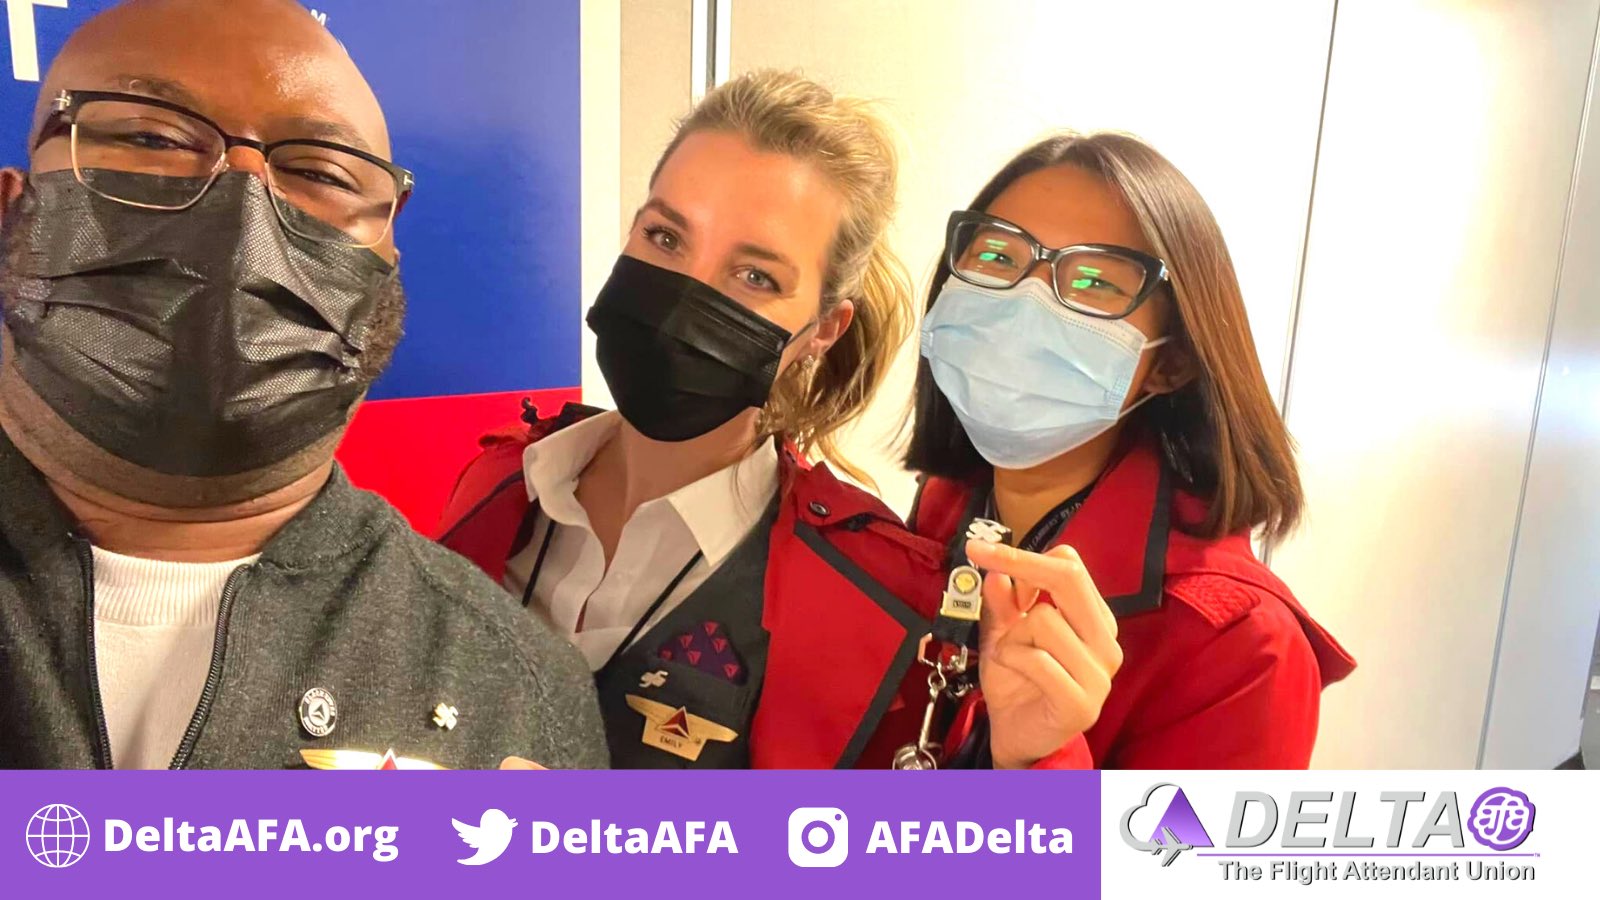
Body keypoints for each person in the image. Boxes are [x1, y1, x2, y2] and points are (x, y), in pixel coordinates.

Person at [437, 71, 1121, 769]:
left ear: (822, 329)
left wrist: (1033, 761)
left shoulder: (884, 601)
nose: (684, 297)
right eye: (666, 236)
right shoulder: (497, 486)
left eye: (756, 276)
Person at [0, 0, 606, 770]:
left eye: (320, 172)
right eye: (152, 136)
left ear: (386, 267)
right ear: (11, 209)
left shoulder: (518, 690)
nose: (246, 211)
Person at [907, 132, 1356, 768]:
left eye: (1092, 282)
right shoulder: (943, 512)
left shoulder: (1244, 647)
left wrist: (1035, 764)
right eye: (998, 258)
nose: (1022, 304)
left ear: (1169, 363)